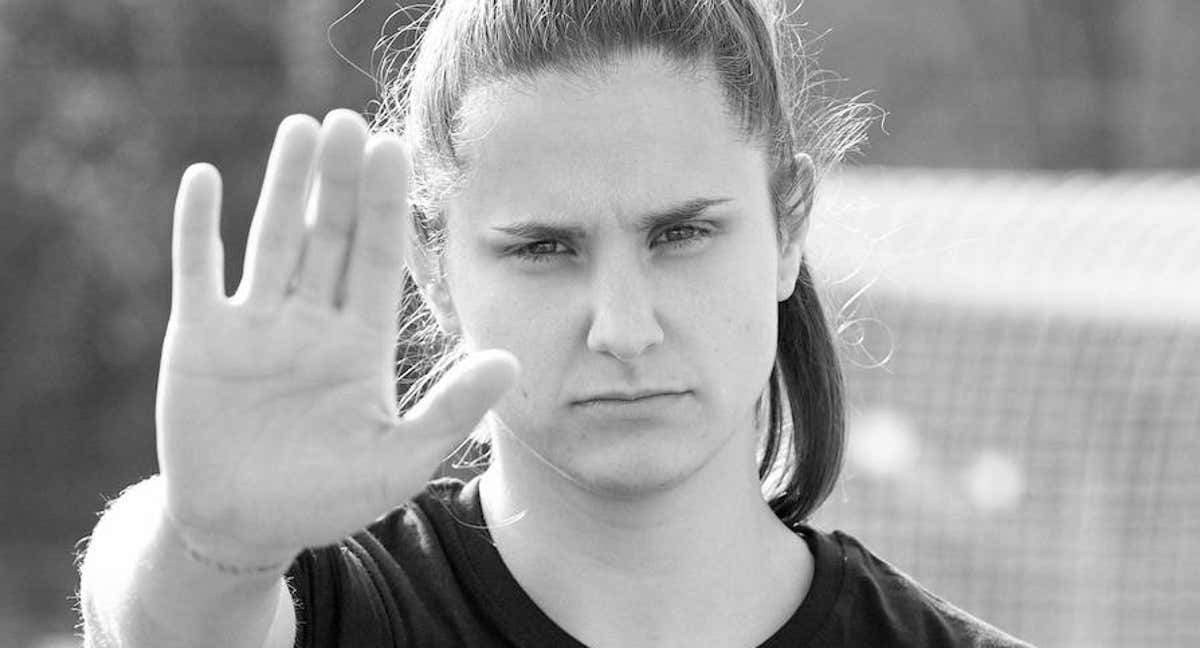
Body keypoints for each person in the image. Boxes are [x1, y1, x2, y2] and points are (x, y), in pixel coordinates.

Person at [77, 0, 1034, 646]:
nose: (624, 327)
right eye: (543, 248)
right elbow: (160, 614)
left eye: (683, 233)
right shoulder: (335, 611)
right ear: (434, 270)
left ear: (788, 230)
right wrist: (216, 543)